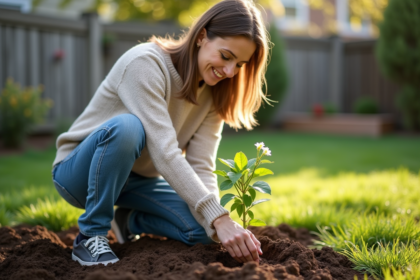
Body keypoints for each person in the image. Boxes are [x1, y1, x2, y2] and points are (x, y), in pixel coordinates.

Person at [52, 0, 270, 267]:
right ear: (202, 36)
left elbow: (201, 165)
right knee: (128, 128)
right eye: (226, 56)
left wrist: (217, 219)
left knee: (206, 231)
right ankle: (91, 235)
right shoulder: (145, 63)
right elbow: (165, 151)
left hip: (136, 181)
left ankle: (129, 220)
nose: (229, 72)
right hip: (80, 176)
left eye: (240, 64)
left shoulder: (214, 95)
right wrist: (221, 219)